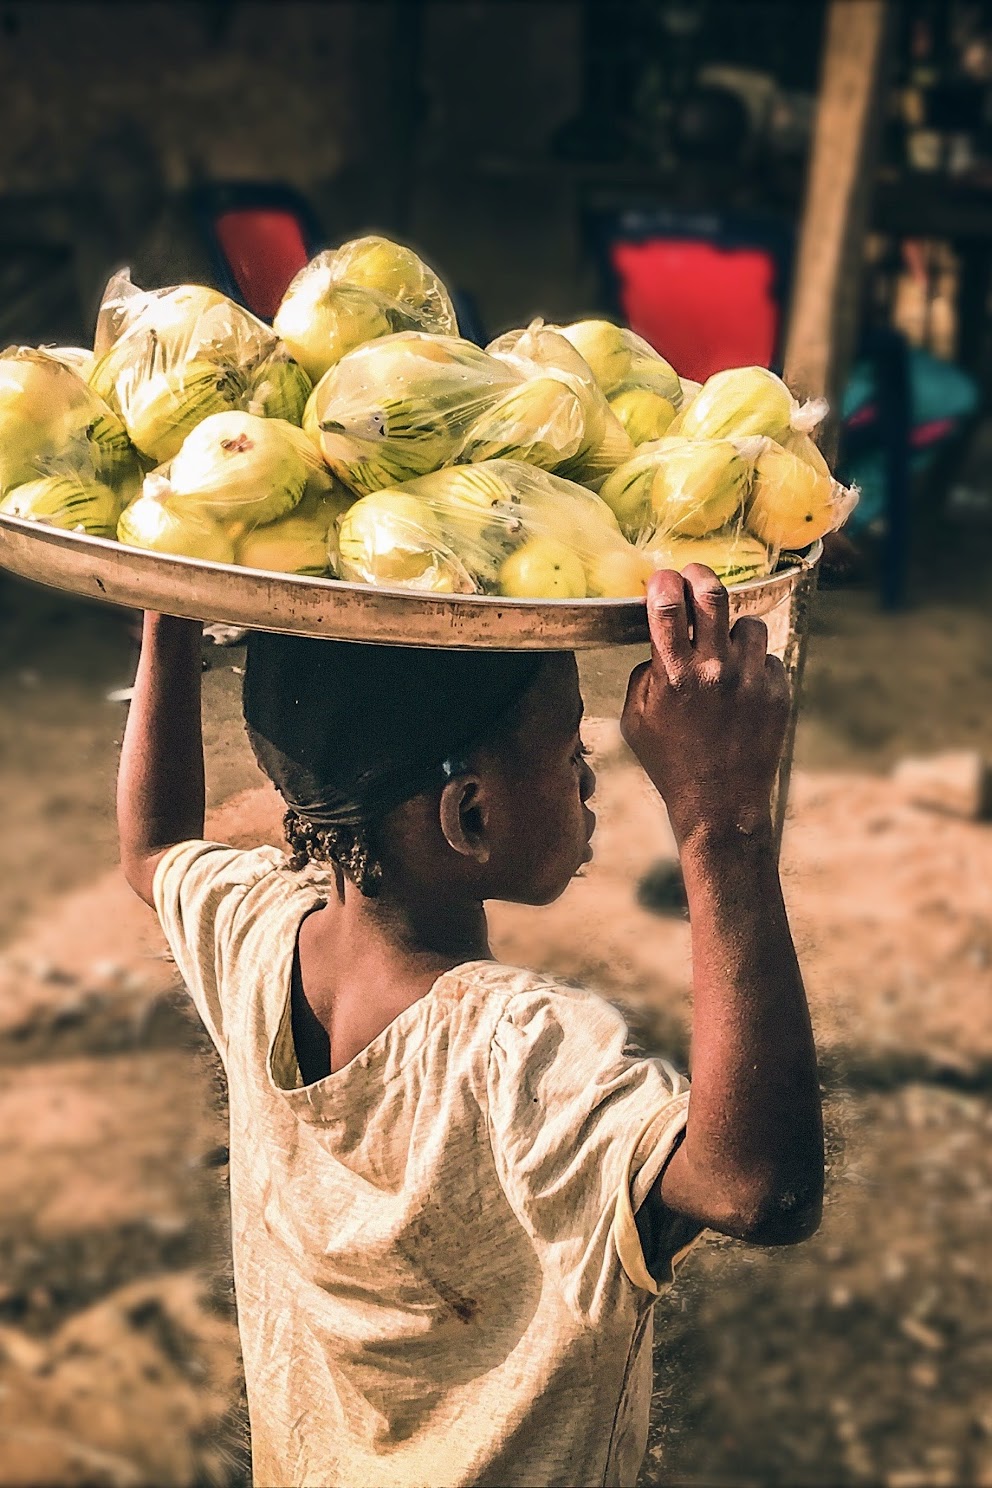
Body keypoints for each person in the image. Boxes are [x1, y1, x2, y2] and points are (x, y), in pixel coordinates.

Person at [117, 566, 823, 1488]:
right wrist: (721, 819)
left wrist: (167, 610)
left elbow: (155, 845)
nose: (587, 772)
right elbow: (756, 1189)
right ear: (471, 815)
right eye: (568, 746)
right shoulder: (516, 1058)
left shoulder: (257, 940)